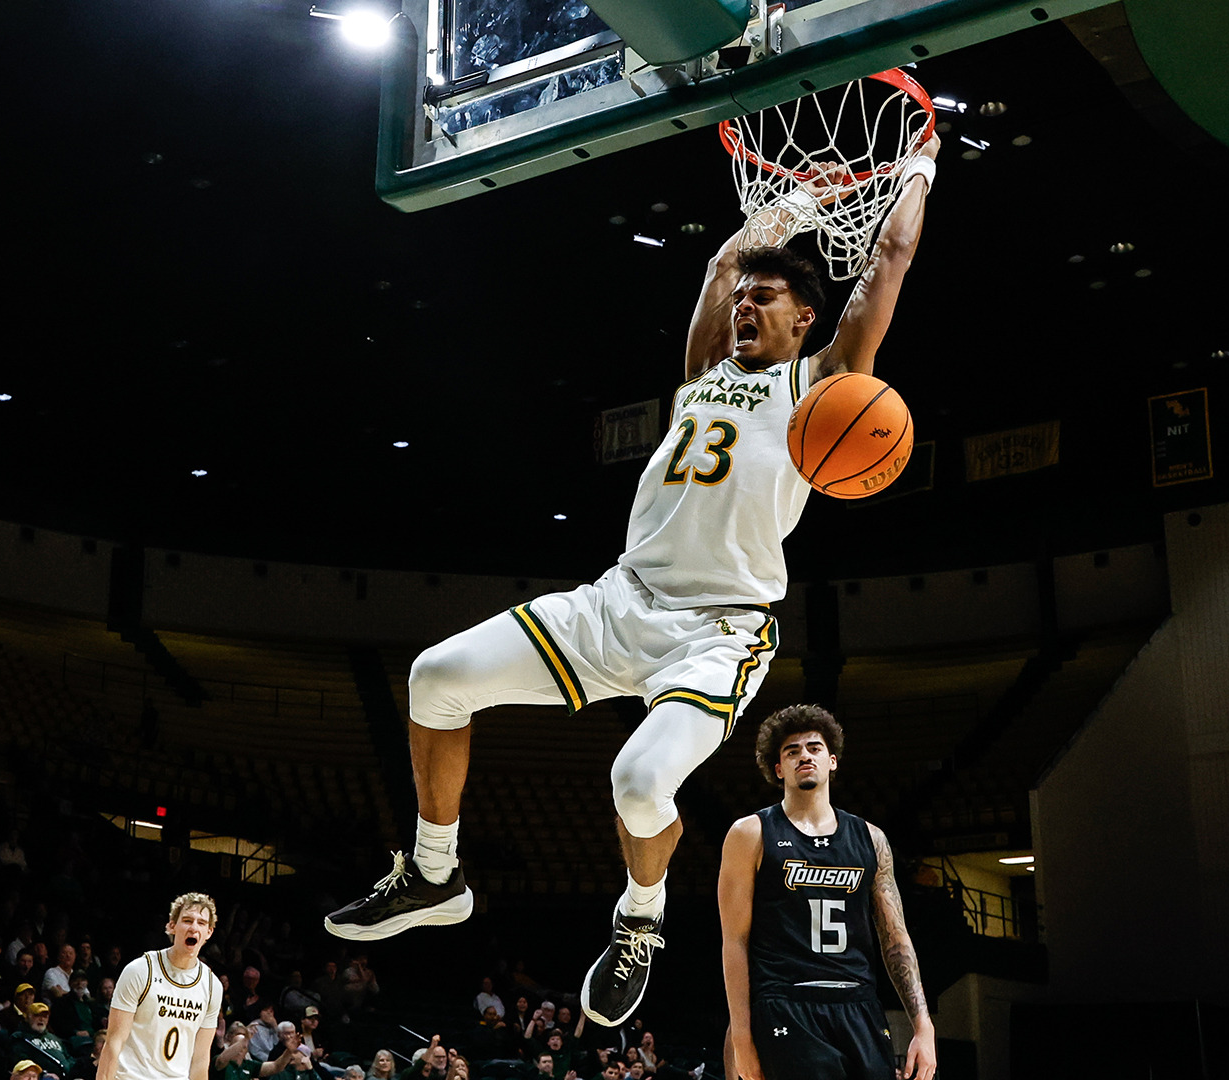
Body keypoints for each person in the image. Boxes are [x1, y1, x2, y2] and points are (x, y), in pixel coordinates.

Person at [324, 132, 944, 1035]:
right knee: (434, 678)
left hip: (719, 629)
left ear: (804, 316)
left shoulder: (822, 385)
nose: (744, 304)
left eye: (764, 298)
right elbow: (721, 260)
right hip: (618, 599)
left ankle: (641, 921)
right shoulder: (700, 377)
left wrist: (917, 166)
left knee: (640, 779)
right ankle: (433, 870)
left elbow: (888, 257)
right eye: (742, 298)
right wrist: (798, 205)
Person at [718, 705, 938, 1080]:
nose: (804, 754)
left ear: (832, 761)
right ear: (778, 769)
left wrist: (923, 1025)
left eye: (814, 747)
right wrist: (740, 1034)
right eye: (792, 751)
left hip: (859, 1004)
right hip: (787, 1002)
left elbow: (895, 938)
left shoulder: (870, 839)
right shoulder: (750, 834)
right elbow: (734, 941)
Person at [99, 894, 222, 1080]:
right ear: (171, 926)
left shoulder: (213, 986)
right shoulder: (140, 970)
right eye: (187, 920)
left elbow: (200, 1059)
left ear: (209, 932)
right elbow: (114, 1043)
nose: (194, 928)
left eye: (201, 923)